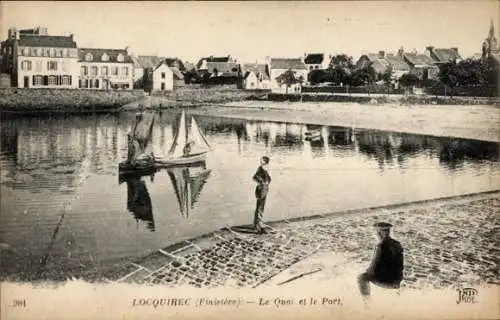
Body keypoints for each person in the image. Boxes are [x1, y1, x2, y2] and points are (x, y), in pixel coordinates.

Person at [357, 222, 404, 304]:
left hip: (387, 281)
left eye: (376, 232)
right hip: (397, 281)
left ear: (380, 233)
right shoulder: (397, 244)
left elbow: (373, 267)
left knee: (362, 277)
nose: (375, 235)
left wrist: (368, 271)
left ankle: (367, 303)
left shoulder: (380, 246)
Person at [252, 156, 271, 234]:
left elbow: (268, 179)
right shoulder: (260, 169)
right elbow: (254, 177)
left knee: (261, 207)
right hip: (261, 189)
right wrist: (261, 182)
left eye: (262, 160)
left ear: (265, 162)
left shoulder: (265, 169)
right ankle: (257, 225)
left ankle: (258, 224)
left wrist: (265, 183)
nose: (261, 161)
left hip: (264, 189)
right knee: (259, 207)